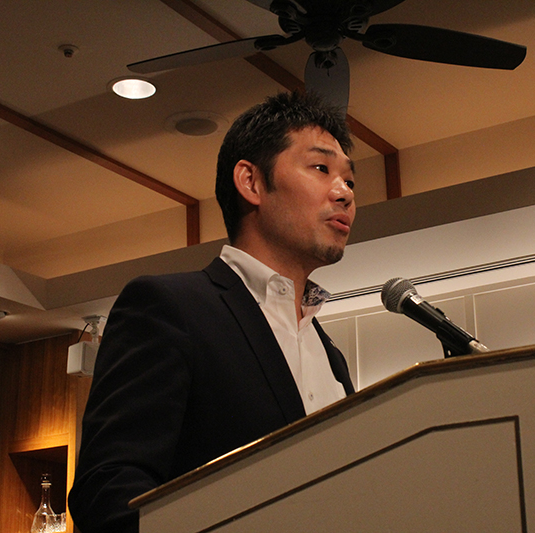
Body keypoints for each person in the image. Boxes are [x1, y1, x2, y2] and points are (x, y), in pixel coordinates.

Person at [68, 91, 356, 533]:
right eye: (321, 169)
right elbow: (108, 491)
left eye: (350, 181)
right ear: (251, 182)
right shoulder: (168, 307)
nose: (344, 193)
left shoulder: (329, 352)